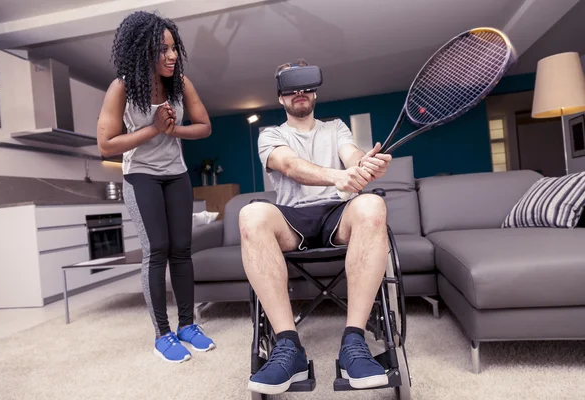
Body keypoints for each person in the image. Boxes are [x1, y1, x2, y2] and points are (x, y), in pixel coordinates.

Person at [240, 59, 392, 394]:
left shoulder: (335, 127)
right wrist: (338, 175)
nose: (299, 93)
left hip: (337, 214)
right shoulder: (271, 135)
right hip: (291, 219)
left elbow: (350, 154)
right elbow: (289, 165)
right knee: (250, 215)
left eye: (305, 85)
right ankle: (288, 346)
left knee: (372, 204)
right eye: (290, 88)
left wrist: (363, 164)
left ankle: (354, 341)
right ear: (280, 97)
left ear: (315, 92)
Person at [97, 11, 215, 363]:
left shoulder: (181, 84)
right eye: (162, 49)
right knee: (157, 249)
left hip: (176, 174)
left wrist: (174, 131)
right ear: (141, 50)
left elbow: (205, 126)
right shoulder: (121, 88)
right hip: (141, 176)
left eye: (174, 47)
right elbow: (106, 145)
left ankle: (187, 325)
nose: (172, 55)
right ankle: (162, 334)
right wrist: (153, 129)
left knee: (182, 249)